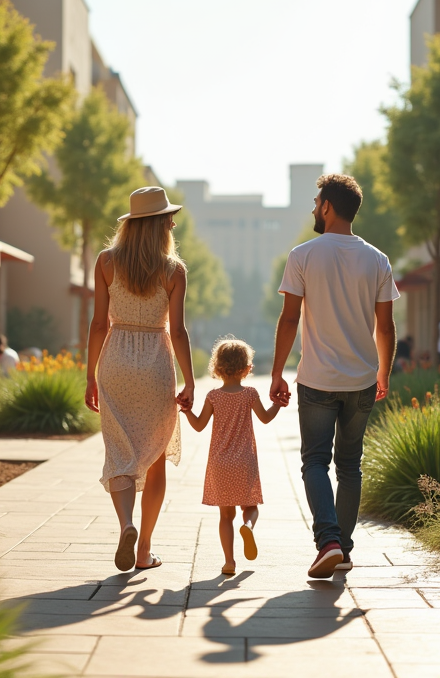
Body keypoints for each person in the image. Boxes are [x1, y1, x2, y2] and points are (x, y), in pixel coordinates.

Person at [271, 173, 399, 579]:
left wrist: (276, 373)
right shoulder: (377, 259)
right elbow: (387, 327)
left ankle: (327, 541)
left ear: (328, 206)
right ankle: (342, 549)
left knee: (314, 461)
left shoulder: (303, 255)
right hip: (361, 379)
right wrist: (384, 373)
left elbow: (289, 318)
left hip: (317, 380)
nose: (313, 208)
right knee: (349, 466)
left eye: (315, 201)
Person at [85, 186, 195, 572]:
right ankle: (145, 548)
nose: (173, 222)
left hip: (114, 360)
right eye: (169, 217)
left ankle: (126, 524)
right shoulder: (173, 270)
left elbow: (99, 323)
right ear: (160, 224)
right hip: (155, 364)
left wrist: (90, 376)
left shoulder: (105, 262)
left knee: (120, 453)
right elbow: (178, 331)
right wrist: (191, 381)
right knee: (155, 459)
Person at [181, 338, 283, 576]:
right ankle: (248, 526)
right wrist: (277, 404)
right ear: (247, 368)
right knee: (251, 506)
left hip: (220, 463)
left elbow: (198, 426)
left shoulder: (213, 397)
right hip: (244, 461)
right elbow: (266, 418)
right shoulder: (249, 394)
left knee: (225, 515)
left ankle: (229, 562)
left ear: (217, 368)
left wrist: (186, 411)